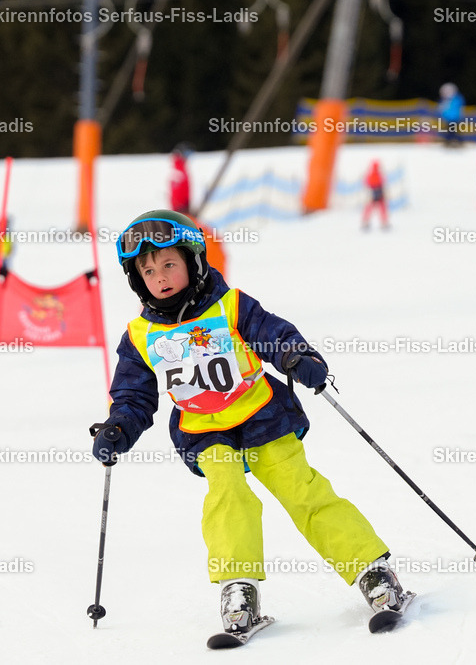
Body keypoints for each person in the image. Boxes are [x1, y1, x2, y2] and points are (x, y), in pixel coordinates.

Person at [89, 210, 410, 637]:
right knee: (227, 495)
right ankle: (238, 589)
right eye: (148, 271)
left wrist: (297, 357)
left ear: (192, 260)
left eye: (169, 264)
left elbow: (271, 334)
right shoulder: (140, 335)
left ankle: (371, 571)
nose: (160, 277)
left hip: (263, 418)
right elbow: (134, 395)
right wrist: (119, 427)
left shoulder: (230, 305)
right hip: (206, 431)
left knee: (302, 490)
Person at [362, 160, 390, 230]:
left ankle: (365, 222)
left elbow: (366, 183)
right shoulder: (379, 175)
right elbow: (383, 183)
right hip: (379, 194)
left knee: (369, 209)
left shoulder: (370, 175)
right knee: (382, 209)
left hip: (372, 194)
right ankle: (384, 223)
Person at [169, 146, 192, 215]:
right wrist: (182, 205)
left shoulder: (180, 167)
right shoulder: (179, 169)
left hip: (181, 206)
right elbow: (178, 190)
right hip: (181, 207)